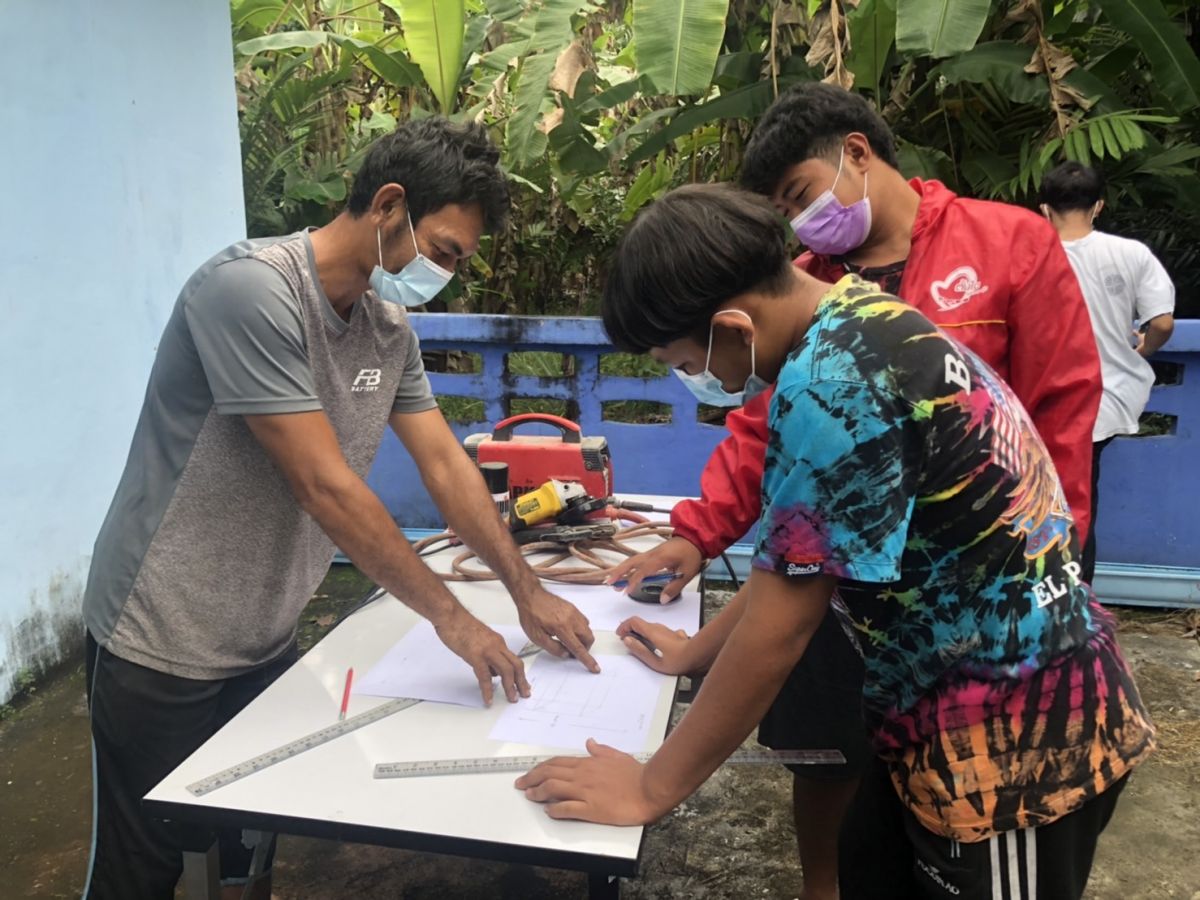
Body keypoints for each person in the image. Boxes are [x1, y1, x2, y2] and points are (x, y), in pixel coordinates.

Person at [520, 183, 1154, 900]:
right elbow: (797, 560)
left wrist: (650, 786)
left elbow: (781, 628)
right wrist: (697, 652)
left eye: (684, 362)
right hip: (927, 714)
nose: (697, 379)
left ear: (733, 327)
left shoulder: (833, 386)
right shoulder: (860, 314)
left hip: (1017, 748)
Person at [81, 117, 598, 900]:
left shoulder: (389, 330)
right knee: (143, 867)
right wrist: (454, 619)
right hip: (162, 636)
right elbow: (324, 486)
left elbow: (445, 466)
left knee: (251, 839)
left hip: (264, 633)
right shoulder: (250, 292)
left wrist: (526, 591)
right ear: (388, 205)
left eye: (458, 261)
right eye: (443, 251)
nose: (445, 274)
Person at [1040, 161, 1176, 584]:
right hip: (1105, 398)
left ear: (1044, 209)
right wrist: (1144, 348)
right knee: (1082, 502)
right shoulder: (1131, 254)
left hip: (1039, 399)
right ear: (1098, 205)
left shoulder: (1030, 255)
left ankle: (1044, 595)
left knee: (1038, 500)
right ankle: (1078, 597)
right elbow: (1162, 322)